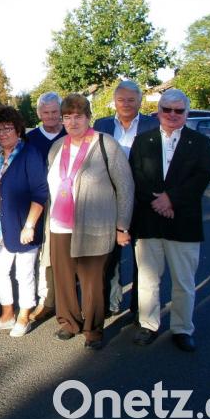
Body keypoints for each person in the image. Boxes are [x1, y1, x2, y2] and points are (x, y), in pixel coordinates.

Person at [129, 89, 210, 352]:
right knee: (147, 279)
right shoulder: (143, 141)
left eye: (178, 110)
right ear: (158, 111)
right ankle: (148, 324)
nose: (172, 115)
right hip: (149, 220)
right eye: (167, 109)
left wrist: (171, 200)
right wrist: (158, 202)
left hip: (183, 222)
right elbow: (136, 176)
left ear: (186, 113)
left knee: (184, 283)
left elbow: (201, 178)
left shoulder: (201, 143)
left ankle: (182, 328)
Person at [46, 94, 134, 350]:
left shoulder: (106, 144)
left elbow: (125, 187)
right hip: (60, 226)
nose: (72, 122)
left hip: (94, 226)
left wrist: (122, 226)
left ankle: (93, 330)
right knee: (63, 278)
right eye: (67, 117)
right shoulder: (57, 147)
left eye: (78, 116)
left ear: (88, 118)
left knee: (92, 281)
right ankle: (68, 322)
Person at [0, 106, 48, 337]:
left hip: (23, 224)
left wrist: (30, 225)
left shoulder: (30, 154)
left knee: (24, 273)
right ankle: (7, 315)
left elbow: (40, 193)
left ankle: (24, 317)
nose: (2, 134)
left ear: (18, 130)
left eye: (7, 129)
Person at [93, 81, 160, 318]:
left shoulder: (153, 125)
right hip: (110, 201)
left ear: (140, 101)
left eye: (131, 100)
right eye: (121, 99)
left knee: (144, 260)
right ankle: (110, 303)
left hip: (143, 202)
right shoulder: (101, 125)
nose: (126, 104)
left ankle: (139, 308)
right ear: (114, 101)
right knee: (109, 258)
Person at [27, 91, 67, 322]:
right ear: (39, 113)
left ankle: (67, 299)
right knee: (44, 253)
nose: (51, 116)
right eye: (46, 112)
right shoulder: (30, 139)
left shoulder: (70, 133)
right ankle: (46, 300)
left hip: (67, 203)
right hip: (40, 203)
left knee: (67, 253)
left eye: (55, 112)